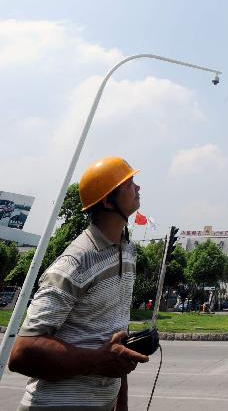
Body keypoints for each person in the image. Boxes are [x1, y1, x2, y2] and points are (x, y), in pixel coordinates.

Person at [9, 157, 149, 411]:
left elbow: (114, 346)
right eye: (129, 184)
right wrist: (97, 360)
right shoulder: (75, 262)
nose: (137, 188)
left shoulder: (127, 253)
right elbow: (22, 353)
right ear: (108, 201)